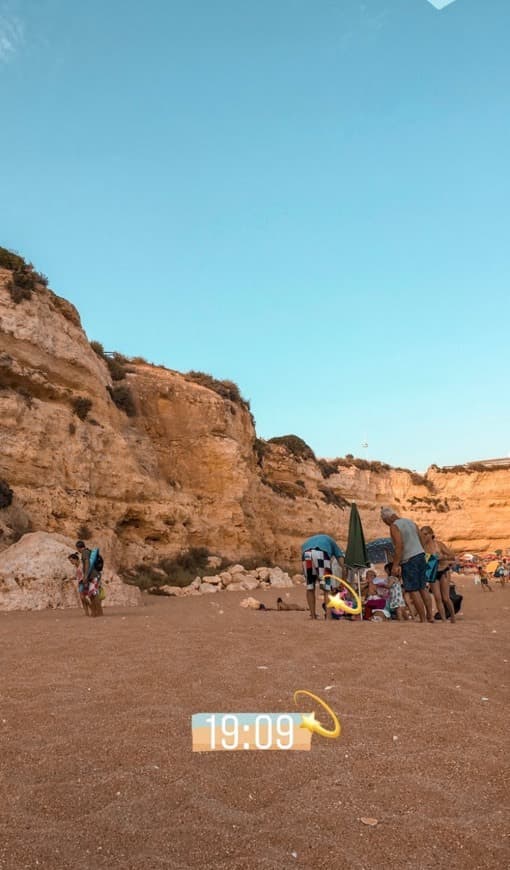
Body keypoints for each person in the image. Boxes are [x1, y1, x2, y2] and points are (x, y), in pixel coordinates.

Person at [380, 507, 433, 623]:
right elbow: (422, 540)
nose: (386, 525)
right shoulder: (410, 522)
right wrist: (420, 552)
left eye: (385, 522)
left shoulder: (394, 526)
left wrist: (395, 565)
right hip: (420, 555)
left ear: (387, 519)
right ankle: (430, 616)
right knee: (423, 588)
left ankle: (423, 619)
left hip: (409, 559)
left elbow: (399, 546)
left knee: (413, 590)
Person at [301, 533, 345, 620]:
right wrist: (343, 582)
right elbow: (343, 566)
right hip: (321, 553)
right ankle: (328, 617)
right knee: (326, 588)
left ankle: (313, 616)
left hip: (306, 554)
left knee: (310, 587)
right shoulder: (334, 545)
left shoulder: (311, 541)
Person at [420, 527, 456, 623]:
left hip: (443, 571)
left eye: (425, 534)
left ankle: (452, 617)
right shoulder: (423, 548)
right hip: (432, 573)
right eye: (422, 534)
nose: (423, 536)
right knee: (437, 597)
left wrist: (443, 557)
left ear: (431, 534)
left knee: (445, 598)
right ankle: (444, 620)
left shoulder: (439, 545)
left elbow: (452, 556)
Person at [76, 540, 104, 617]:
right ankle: (96, 612)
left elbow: (87, 563)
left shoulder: (84, 553)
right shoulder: (88, 551)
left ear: (78, 548)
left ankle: (98, 612)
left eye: (77, 548)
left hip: (92, 576)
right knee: (92, 594)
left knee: (93, 594)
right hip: (94, 575)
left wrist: (85, 576)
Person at [68, 552, 91, 616]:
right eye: (70, 561)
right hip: (80, 583)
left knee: (83, 597)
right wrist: (71, 578)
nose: (71, 562)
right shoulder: (75, 567)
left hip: (85, 582)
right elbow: (77, 576)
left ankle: (91, 606)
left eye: (72, 560)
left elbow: (86, 573)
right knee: (82, 598)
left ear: (76, 559)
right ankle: (87, 613)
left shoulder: (82, 565)